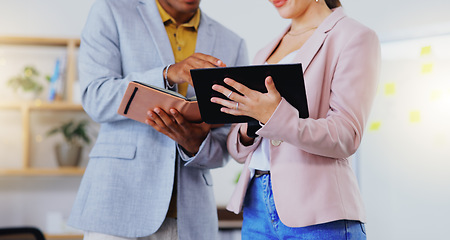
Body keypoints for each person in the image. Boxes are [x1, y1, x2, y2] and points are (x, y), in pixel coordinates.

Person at [67, 0, 248, 239]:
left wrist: (196, 145)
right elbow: (95, 98)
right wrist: (167, 74)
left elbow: (230, 140)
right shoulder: (110, 12)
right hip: (117, 207)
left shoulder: (232, 43)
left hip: (191, 220)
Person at [210, 0, 380, 239]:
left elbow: (347, 136)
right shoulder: (264, 52)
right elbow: (238, 149)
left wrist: (273, 116)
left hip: (319, 212)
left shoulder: (354, 37)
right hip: (256, 207)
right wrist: (250, 126)